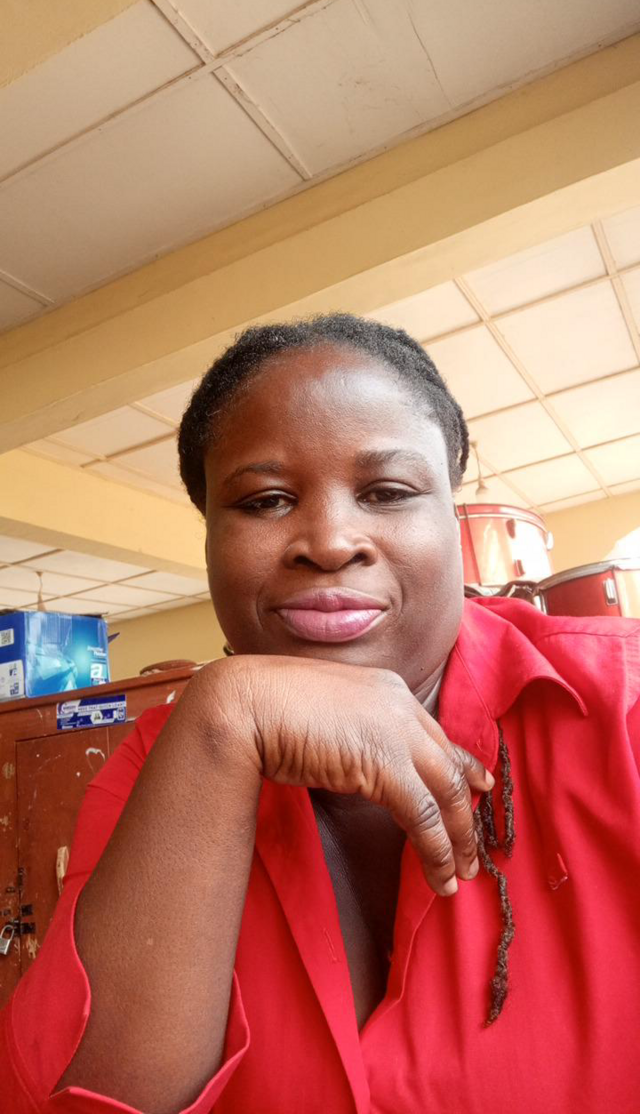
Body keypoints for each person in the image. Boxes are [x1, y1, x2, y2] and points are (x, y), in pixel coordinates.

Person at [1, 314, 639, 1114]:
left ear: (452, 516)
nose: (331, 542)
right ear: (210, 539)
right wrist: (226, 715)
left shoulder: (623, 708)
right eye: (265, 500)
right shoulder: (162, 761)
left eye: (388, 493)